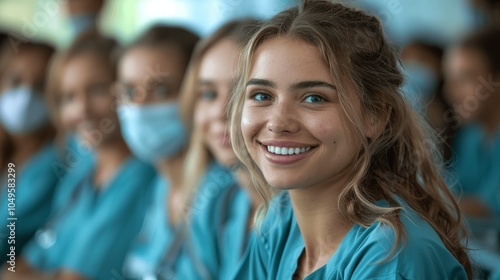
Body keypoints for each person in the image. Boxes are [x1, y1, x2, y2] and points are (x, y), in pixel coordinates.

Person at [229, 1, 472, 279]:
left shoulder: (391, 258)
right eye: (262, 95)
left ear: (375, 115)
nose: (278, 123)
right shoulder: (281, 219)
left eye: (314, 98)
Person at [6, 31, 156, 280]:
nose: (82, 110)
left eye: (97, 90)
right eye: (68, 97)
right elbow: (21, 264)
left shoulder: (137, 177)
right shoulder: (82, 171)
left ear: (123, 90)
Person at [174, 19, 261, 280]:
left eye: (244, 92)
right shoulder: (216, 200)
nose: (221, 112)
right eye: (208, 94)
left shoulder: (305, 216)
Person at [115, 25, 200, 279]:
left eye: (161, 90)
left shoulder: (223, 197)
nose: (139, 107)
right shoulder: (159, 188)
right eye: (130, 92)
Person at [0, 39, 59, 263]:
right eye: (16, 80)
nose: (26, 95)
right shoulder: (9, 157)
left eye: (40, 85)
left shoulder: (52, 165)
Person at [443, 28, 500, 219]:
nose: (450, 92)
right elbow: (454, 189)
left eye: (464, 78)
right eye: (449, 79)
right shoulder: (472, 135)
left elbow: (488, 208)